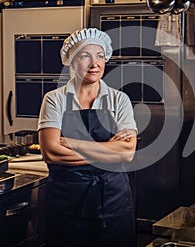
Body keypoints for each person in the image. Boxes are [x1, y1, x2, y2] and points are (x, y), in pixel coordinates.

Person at [38, 28, 137, 247]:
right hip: (67, 201)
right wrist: (108, 151)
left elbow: (127, 153)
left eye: (100, 56)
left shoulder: (119, 100)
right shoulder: (54, 99)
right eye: (85, 56)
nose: (95, 63)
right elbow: (51, 152)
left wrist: (74, 144)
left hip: (112, 199)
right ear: (72, 63)